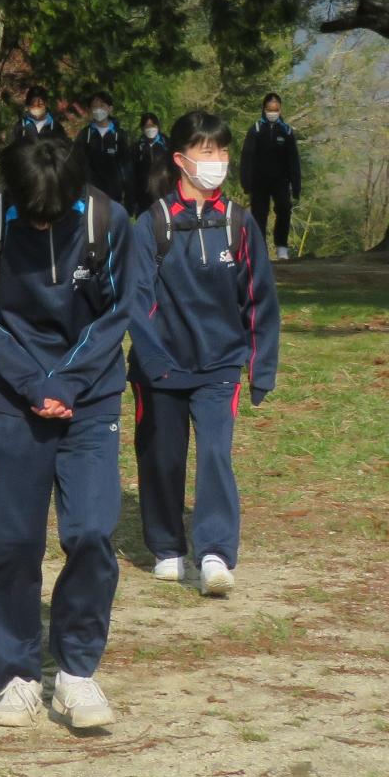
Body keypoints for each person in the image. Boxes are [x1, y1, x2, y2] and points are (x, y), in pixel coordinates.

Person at [0, 136, 133, 732]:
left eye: (51, 215)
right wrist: (33, 382)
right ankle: (16, 677)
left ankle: (76, 672)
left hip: (92, 399)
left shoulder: (108, 221)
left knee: (91, 531)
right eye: (32, 213)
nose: (41, 223)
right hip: (12, 398)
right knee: (11, 542)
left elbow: (118, 312)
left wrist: (70, 381)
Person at [128, 112, 280, 597]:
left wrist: (260, 367)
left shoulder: (239, 223)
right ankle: (167, 546)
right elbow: (135, 301)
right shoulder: (152, 224)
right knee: (161, 457)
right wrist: (154, 363)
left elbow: (258, 299)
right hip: (161, 369)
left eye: (223, 151)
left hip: (219, 365)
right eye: (207, 151)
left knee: (215, 454)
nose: (218, 161)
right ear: (181, 159)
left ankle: (215, 553)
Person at [239, 92, 303, 259]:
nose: (272, 112)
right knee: (259, 214)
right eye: (270, 109)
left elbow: (293, 160)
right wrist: (246, 181)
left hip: (281, 181)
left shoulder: (286, 131)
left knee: (284, 209)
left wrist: (296, 185)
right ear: (264, 109)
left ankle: (282, 247)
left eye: (275, 109)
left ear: (280, 109)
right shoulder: (256, 130)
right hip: (259, 181)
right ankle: (260, 250)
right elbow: (246, 157)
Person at [75, 91, 137, 211]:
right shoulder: (85, 135)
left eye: (102, 106)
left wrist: (129, 200)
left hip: (114, 196)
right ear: (89, 110)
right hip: (90, 196)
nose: (98, 109)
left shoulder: (119, 135)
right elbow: (76, 164)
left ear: (110, 109)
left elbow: (127, 170)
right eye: (94, 106)